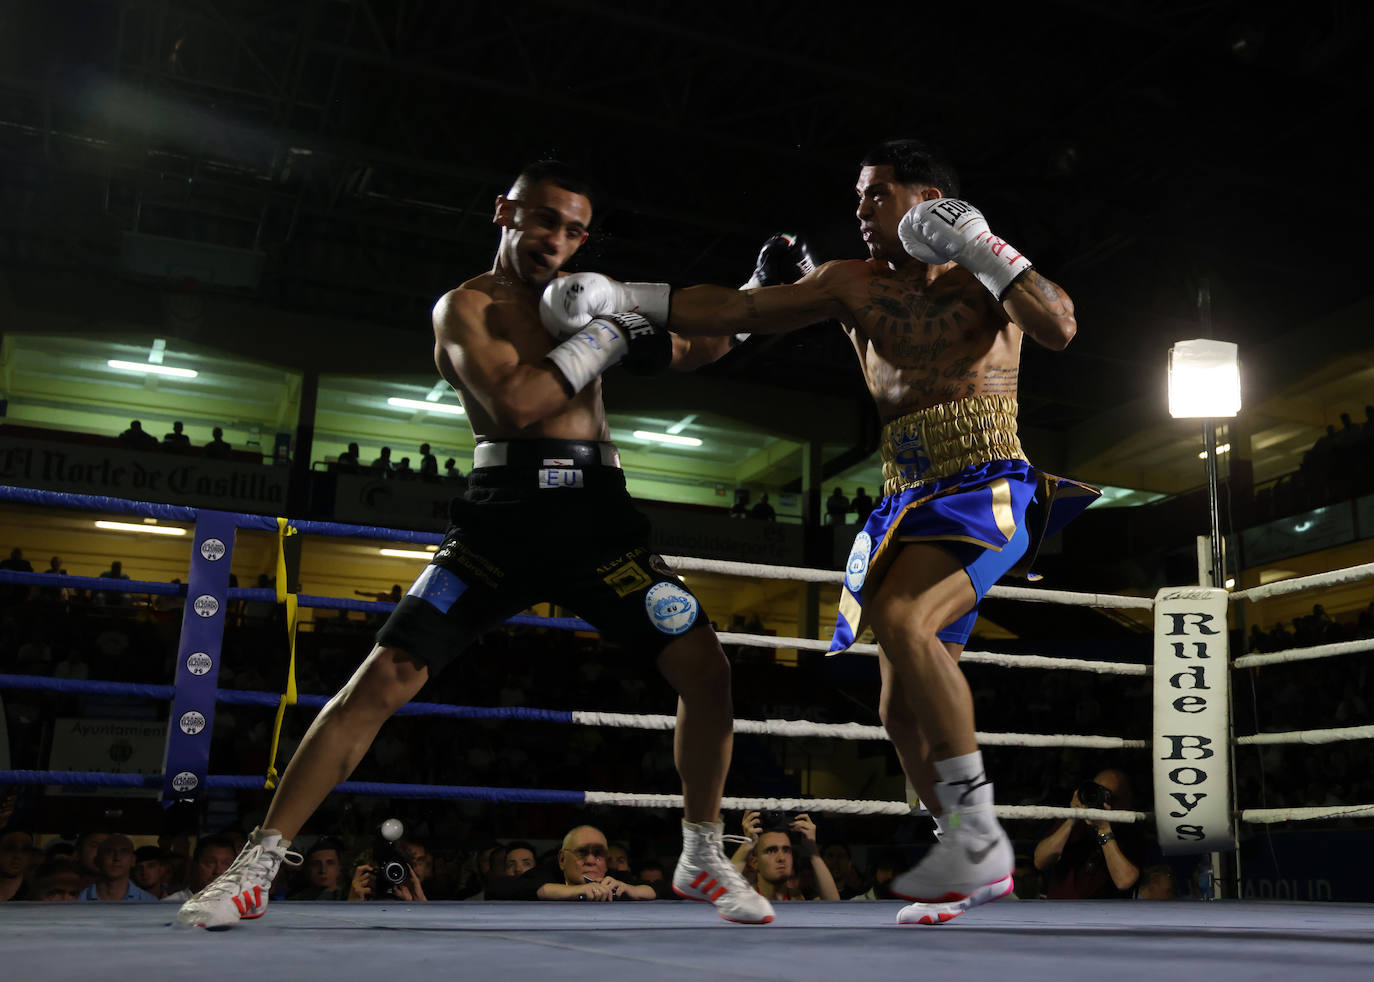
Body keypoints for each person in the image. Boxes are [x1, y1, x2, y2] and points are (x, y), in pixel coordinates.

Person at [176, 159, 772, 929]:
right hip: (503, 518)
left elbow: (693, 349)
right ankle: (256, 865)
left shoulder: (586, 298)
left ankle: (699, 853)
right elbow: (520, 402)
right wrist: (609, 329)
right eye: (542, 219)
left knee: (708, 668)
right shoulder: (466, 307)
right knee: (386, 675)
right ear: (504, 212)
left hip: (598, 519)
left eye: (572, 228)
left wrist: (751, 301)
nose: (554, 239)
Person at [540, 138, 1099, 925]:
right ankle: (966, 862)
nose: (861, 211)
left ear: (927, 197)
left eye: (876, 194)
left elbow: (1060, 327)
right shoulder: (849, 283)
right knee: (898, 709)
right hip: (905, 497)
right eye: (858, 198)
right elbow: (737, 310)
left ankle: (977, 833)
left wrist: (981, 241)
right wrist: (620, 295)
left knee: (903, 621)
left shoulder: (987, 275)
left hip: (988, 481)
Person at [1033, 768, 1146, 899]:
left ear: (1127, 801)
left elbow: (1124, 881)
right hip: (1061, 912)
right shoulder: (1071, 822)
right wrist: (1072, 819)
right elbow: (1040, 862)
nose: (1100, 799)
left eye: (1109, 796)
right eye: (1097, 791)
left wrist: (1104, 830)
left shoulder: (1131, 832)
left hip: (1106, 916)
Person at [487, 824, 657, 901]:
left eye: (598, 854)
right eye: (582, 853)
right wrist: (571, 891)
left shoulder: (614, 880)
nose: (591, 861)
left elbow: (666, 888)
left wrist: (633, 890)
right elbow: (496, 889)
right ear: (562, 859)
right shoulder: (545, 874)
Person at [79, 834, 158, 902]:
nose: (117, 857)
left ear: (133, 860)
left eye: (124, 851)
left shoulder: (149, 901)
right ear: (98, 860)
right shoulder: (78, 899)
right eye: (109, 851)